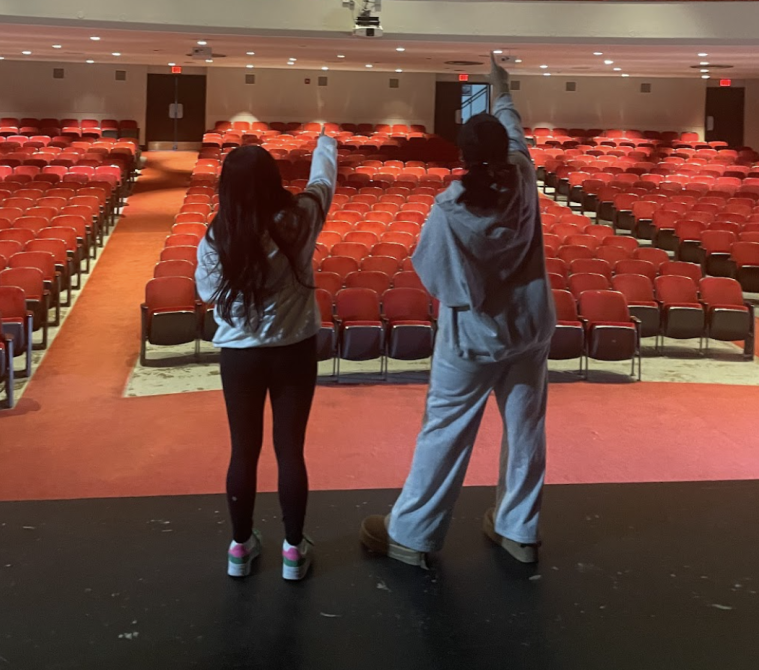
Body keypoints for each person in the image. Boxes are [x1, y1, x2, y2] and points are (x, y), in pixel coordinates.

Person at [360, 55, 555, 568]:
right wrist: (503, 90)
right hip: (531, 327)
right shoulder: (523, 174)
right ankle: (519, 528)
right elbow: (513, 131)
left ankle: (413, 533)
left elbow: (440, 279)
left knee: (445, 429)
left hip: (474, 335)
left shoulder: (451, 208)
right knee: (527, 426)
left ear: (462, 157)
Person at [196, 129, 338, 581]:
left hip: (241, 355)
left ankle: (240, 547)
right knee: (290, 450)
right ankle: (293, 551)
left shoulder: (218, 234)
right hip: (294, 349)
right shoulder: (301, 217)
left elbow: (204, 291)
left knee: (244, 450)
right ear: (275, 178)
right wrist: (324, 144)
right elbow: (324, 182)